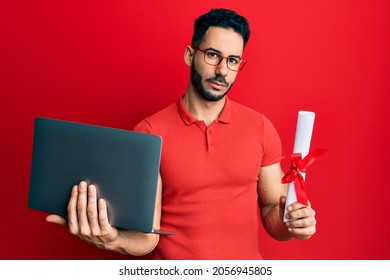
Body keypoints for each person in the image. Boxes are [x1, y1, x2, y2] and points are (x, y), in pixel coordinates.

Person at [47, 8, 316, 260]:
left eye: (233, 60)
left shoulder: (260, 127)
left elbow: (272, 210)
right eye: (212, 55)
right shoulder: (150, 132)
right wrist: (113, 239)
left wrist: (292, 224)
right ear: (190, 55)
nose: (222, 70)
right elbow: (148, 236)